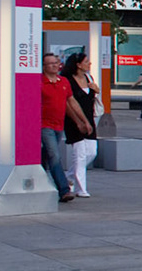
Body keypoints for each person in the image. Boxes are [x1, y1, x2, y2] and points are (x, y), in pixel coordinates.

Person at [40, 52, 91, 204]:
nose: (55, 65)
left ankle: (41, 182)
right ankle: (64, 189)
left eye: (56, 62)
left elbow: (71, 102)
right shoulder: (39, 82)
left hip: (58, 124)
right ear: (44, 67)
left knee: (45, 157)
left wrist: (83, 121)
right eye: (50, 63)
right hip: (44, 125)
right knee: (55, 156)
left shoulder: (63, 82)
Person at [62, 52, 100, 198]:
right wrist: (79, 121)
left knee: (91, 151)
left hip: (89, 118)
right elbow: (69, 102)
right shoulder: (68, 80)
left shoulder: (89, 78)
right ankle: (81, 188)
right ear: (78, 65)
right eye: (86, 61)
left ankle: (70, 176)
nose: (89, 64)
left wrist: (96, 90)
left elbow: (93, 98)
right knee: (79, 154)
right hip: (73, 120)